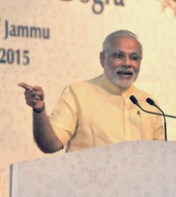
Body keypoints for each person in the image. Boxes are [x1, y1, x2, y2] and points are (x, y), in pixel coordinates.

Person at [18, 30, 164, 153]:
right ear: (103, 58)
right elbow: (50, 145)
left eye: (134, 58)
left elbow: (160, 158)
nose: (127, 63)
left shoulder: (148, 104)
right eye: (119, 56)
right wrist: (39, 110)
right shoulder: (78, 93)